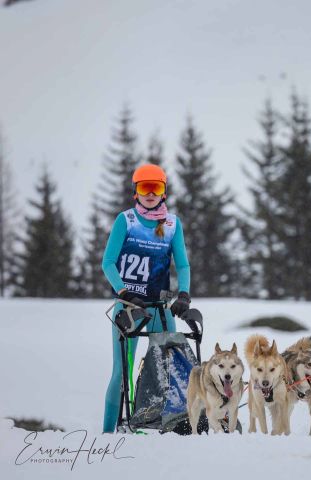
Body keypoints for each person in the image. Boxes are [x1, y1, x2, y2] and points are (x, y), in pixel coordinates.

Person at [101, 164, 191, 433]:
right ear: (135, 192)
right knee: (121, 372)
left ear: (164, 192)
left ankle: (172, 426)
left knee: (173, 367)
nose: (150, 193)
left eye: (156, 187)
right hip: (129, 308)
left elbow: (183, 265)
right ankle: (107, 433)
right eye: (144, 187)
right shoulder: (125, 220)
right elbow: (108, 262)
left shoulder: (173, 224)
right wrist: (123, 292)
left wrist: (184, 294)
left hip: (160, 309)